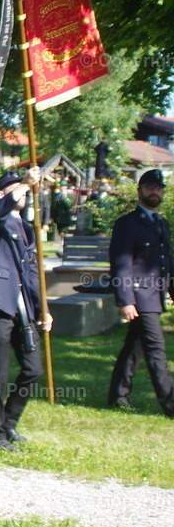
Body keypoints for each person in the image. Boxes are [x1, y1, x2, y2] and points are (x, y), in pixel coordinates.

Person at [0, 167, 53, 451]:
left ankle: (9, 422)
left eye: (24, 187)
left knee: (33, 369)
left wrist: (43, 308)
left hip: (23, 305)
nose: (22, 190)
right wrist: (25, 184)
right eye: (14, 187)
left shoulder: (25, 227)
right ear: (0, 193)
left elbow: (32, 273)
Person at [106, 169, 174, 417]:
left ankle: (117, 396)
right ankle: (170, 404)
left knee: (134, 347)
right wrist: (125, 300)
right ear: (139, 191)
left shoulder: (161, 223)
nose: (154, 191)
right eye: (149, 187)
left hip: (154, 296)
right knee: (157, 351)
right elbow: (121, 264)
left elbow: (166, 262)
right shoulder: (127, 224)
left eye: (158, 187)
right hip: (139, 297)